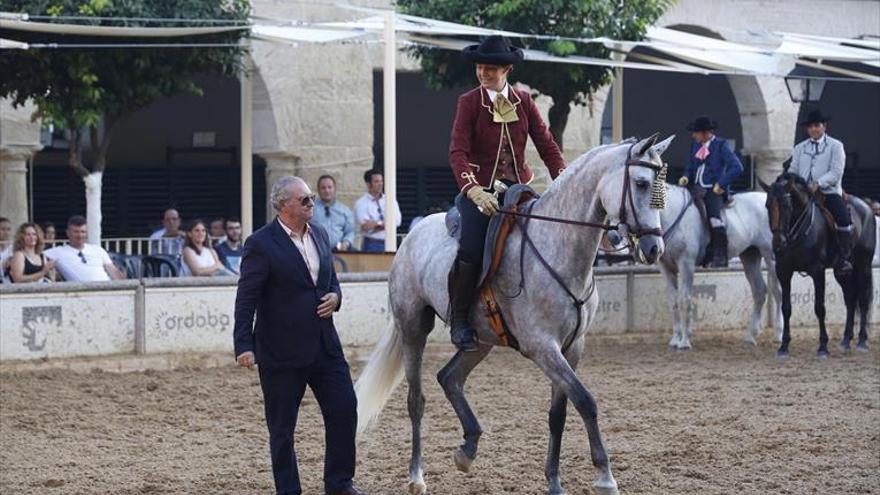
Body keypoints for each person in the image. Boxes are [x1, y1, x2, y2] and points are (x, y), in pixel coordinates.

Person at [233, 176, 364, 495]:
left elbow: (331, 281)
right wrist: (243, 344)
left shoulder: (319, 234)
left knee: (344, 409)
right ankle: (288, 490)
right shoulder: (260, 244)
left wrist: (337, 297)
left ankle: (339, 482)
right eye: (304, 199)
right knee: (282, 429)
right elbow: (246, 297)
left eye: (312, 199)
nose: (312, 203)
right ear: (282, 204)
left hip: (325, 346)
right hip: (280, 350)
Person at [447, 35, 567, 351]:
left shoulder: (524, 101)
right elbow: (457, 152)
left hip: (519, 191)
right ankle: (459, 318)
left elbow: (547, 145)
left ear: (507, 70)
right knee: (471, 248)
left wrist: (564, 179)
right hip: (481, 194)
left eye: (490, 69)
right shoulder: (469, 102)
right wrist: (472, 190)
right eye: (480, 68)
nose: (483, 73)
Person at [788, 109, 852, 274]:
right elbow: (793, 169)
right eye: (810, 127)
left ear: (824, 126)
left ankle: (843, 257)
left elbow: (836, 171)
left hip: (827, 192)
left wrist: (818, 183)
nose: (813, 129)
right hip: (802, 193)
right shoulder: (799, 148)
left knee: (843, 218)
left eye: (817, 126)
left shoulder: (836, 146)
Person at [678, 116, 744, 268]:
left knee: (714, 220)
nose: (693, 135)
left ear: (705, 133)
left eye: (696, 132)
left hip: (713, 190)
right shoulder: (695, 146)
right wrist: (685, 177)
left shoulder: (721, 145)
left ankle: (720, 254)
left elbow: (737, 167)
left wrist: (721, 184)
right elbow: (690, 166)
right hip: (696, 188)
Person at [45, 215, 126, 282]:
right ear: (68, 233)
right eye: (76, 232)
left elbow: (113, 271)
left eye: (83, 232)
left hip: (107, 289)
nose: (80, 236)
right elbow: (35, 255)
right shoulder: (57, 252)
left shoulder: (98, 250)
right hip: (83, 294)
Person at [353, 169, 401, 252]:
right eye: (376, 182)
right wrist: (386, 224)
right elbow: (366, 227)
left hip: (391, 243)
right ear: (368, 184)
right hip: (372, 243)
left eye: (381, 181)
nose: (380, 184)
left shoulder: (390, 200)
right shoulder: (361, 203)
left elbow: (397, 221)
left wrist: (376, 224)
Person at [313, 175, 356, 252]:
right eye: (323, 188)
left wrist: (346, 243)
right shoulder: (311, 210)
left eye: (330, 187)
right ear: (318, 190)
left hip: (340, 251)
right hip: (317, 251)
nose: (327, 190)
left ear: (335, 189)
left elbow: (350, 231)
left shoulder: (344, 210)